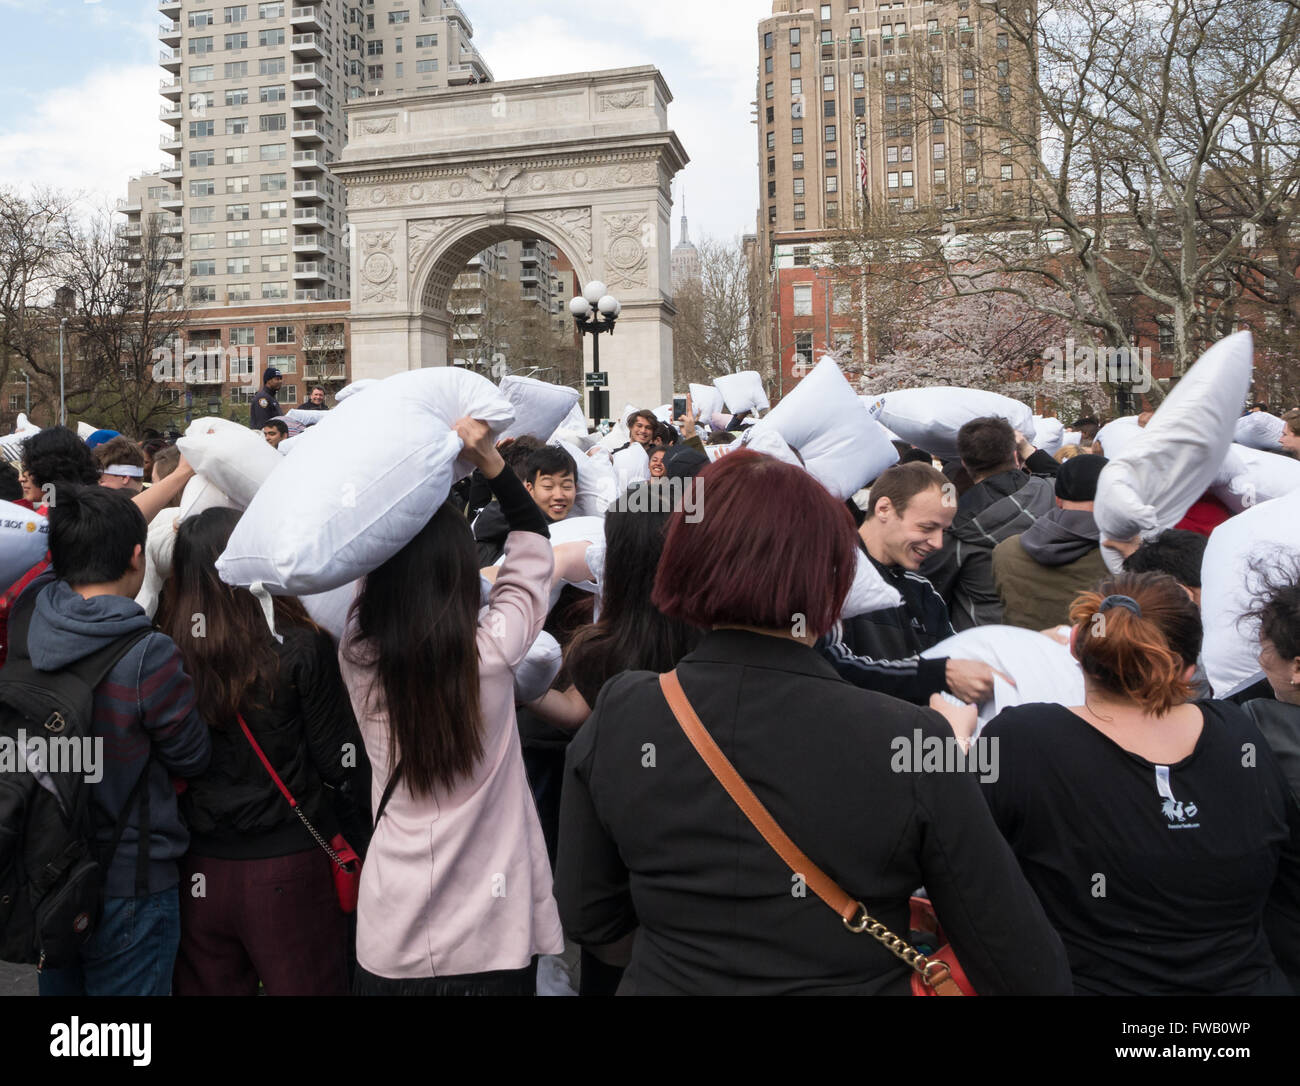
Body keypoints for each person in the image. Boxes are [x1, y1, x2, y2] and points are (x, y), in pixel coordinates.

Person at [555, 450, 1072, 995]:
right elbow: (1021, 961)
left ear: (684, 559)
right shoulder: (908, 738)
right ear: (832, 576)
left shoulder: (625, 710)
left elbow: (591, 917)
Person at [935, 572, 1300, 995]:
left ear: (1074, 646)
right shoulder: (1241, 731)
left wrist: (956, 741)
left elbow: (950, 848)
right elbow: (1287, 881)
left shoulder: (1024, 739)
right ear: (1187, 671)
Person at [340, 418, 562, 995]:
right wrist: (490, 463)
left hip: (393, 932)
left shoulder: (360, 655)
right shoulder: (494, 652)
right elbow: (533, 542)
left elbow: (363, 561)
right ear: (465, 574)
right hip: (495, 932)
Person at [158, 509, 366, 997]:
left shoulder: (162, 648)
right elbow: (341, 761)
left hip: (197, 868)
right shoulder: (297, 647)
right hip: (289, 863)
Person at [21, 486, 211, 996]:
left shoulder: (30, 619)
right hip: (131, 879)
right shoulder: (148, 652)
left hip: (46, 869)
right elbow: (192, 755)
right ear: (136, 557)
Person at [526, 480, 703, 995]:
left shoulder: (606, 641)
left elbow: (574, 714)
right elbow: (578, 710)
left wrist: (521, 680)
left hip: (622, 851)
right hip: (697, 858)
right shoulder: (723, 634)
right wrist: (526, 683)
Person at [820, 462, 1008, 706]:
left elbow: (958, 655)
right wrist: (936, 675)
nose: (938, 543)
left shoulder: (924, 592)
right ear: (884, 509)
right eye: (927, 527)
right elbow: (832, 668)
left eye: (944, 531)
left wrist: (1016, 649)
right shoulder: (829, 576)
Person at [922, 416, 1056, 630]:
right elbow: (1076, 479)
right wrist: (1029, 449)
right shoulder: (1051, 492)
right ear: (1015, 455)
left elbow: (929, 595)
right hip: (1053, 638)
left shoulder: (952, 529)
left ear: (964, 463)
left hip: (987, 646)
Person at [992, 454, 1110, 630]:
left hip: (1022, 654)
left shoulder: (1006, 551)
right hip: (1094, 655)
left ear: (1058, 499)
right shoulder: (1122, 557)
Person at [474, 445, 577, 566]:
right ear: (529, 488)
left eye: (566, 487)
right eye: (548, 486)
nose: (558, 495)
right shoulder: (505, 520)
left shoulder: (580, 529)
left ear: (576, 488)